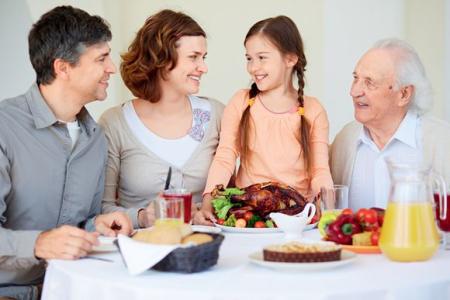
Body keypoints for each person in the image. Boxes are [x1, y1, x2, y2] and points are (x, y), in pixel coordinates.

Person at [0, 6, 132, 297]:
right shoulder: (4, 127)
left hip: (73, 287)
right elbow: (48, 240)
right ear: (63, 68)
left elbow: (76, 223)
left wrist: (97, 225)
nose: (111, 68)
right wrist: (38, 244)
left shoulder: (96, 139)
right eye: (101, 58)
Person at [194, 15, 333, 225]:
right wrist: (208, 200)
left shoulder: (313, 110)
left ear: (290, 59)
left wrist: (326, 205)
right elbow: (225, 157)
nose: (253, 67)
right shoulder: (242, 102)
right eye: (249, 58)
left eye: (262, 57)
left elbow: (320, 170)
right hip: (247, 216)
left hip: (297, 217)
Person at [98, 9, 224, 229]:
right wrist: (141, 217)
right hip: (140, 253)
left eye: (203, 58)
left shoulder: (216, 114)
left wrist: (208, 211)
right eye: (193, 57)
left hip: (203, 250)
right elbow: (102, 207)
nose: (203, 68)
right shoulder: (114, 123)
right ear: (161, 58)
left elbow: (235, 192)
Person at [330, 38, 450, 210]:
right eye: (356, 78)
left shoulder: (443, 142)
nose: (354, 91)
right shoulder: (345, 139)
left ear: (404, 94)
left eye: (369, 82)